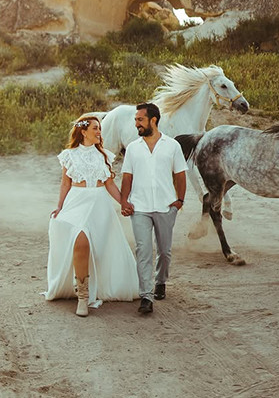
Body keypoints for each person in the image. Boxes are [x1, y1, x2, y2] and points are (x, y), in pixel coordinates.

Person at [44, 114, 138, 317]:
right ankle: (83, 296)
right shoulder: (69, 155)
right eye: (95, 128)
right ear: (83, 131)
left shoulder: (104, 155)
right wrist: (59, 207)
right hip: (76, 202)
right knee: (80, 241)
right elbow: (65, 184)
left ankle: (90, 287)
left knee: (94, 247)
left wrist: (123, 201)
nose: (99, 132)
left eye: (100, 129)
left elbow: (109, 184)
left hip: (99, 204)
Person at [120, 102, 187, 315]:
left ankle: (160, 281)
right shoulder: (132, 148)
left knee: (165, 251)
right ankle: (146, 296)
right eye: (136, 120)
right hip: (139, 207)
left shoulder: (172, 146)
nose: (137, 124)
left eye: (140, 120)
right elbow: (127, 177)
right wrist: (124, 201)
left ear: (153, 120)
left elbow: (180, 174)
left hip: (165, 206)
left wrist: (180, 201)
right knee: (144, 251)